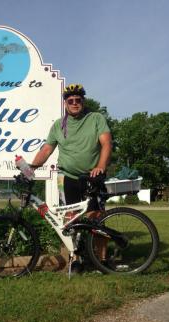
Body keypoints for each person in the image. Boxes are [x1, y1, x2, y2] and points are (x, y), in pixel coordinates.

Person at [30, 84, 112, 266]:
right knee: (70, 220)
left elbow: (106, 143)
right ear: (65, 104)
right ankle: (76, 258)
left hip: (92, 177)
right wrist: (32, 167)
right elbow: (46, 149)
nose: (75, 103)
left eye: (78, 100)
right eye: (71, 101)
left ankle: (103, 260)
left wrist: (100, 166)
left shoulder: (96, 118)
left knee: (96, 218)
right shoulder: (59, 125)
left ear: (83, 101)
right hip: (67, 178)